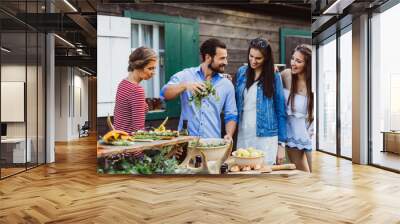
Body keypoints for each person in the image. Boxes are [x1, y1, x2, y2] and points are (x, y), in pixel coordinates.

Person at [160, 38, 237, 142]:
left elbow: (231, 114)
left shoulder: (227, 84)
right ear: (208, 57)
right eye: (222, 58)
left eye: (225, 58)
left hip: (212, 143)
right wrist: (185, 86)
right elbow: (165, 93)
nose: (226, 62)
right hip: (185, 143)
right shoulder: (186, 75)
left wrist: (229, 134)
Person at [235, 37, 287, 166]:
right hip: (244, 133)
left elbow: (281, 111)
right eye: (251, 56)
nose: (253, 61)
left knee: (265, 177)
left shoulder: (274, 77)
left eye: (258, 58)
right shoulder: (241, 73)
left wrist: (281, 145)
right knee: (244, 174)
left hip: (266, 137)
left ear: (266, 59)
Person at [281, 44, 314, 172]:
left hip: (310, 135)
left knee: (316, 175)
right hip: (292, 135)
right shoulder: (286, 75)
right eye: (293, 59)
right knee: (303, 174)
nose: (293, 63)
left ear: (308, 64)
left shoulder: (313, 83)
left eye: (298, 61)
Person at [113, 46, 157, 134]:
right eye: (150, 68)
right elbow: (139, 130)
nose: (153, 72)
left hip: (118, 139)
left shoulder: (123, 84)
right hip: (131, 143)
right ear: (138, 66)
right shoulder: (136, 90)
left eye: (154, 68)